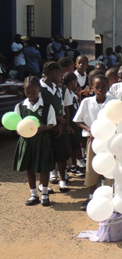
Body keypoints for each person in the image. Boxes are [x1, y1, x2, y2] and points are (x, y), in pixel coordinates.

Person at [13, 76, 56, 206]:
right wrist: (18, 130)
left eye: (34, 92)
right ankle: (33, 194)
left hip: (42, 140)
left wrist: (44, 128)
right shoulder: (20, 107)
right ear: (24, 91)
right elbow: (16, 125)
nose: (30, 95)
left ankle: (44, 193)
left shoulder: (47, 106)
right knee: (29, 167)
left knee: (44, 167)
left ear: (39, 90)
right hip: (27, 142)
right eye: (27, 92)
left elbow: (52, 124)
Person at [74, 74, 114, 210]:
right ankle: (91, 197)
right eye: (97, 87)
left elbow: (120, 120)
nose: (100, 90)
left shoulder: (113, 103)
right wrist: (90, 129)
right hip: (93, 141)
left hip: (109, 141)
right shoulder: (86, 102)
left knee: (108, 169)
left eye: (104, 87)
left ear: (108, 87)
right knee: (91, 168)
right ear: (92, 88)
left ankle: (108, 197)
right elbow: (78, 120)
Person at [40, 61, 72, 193]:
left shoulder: (57, 89)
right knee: (47, 157)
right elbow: (40, 109)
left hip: (58, 128)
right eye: (60, 74)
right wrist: (57, 119)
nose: (62, 77)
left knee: (62, 154)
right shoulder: (38, 88)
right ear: (52, 73)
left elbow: (60, 109)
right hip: (45, 128)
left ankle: (62, 179)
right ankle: (43, 184)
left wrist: (60, 123)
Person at [63, 72, 85, 177]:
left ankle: (77, 164)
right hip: (71, 122)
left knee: (76, 144)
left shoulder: (72, 93)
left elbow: (78, 107)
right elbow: (68, 110)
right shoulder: (66, 92)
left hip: (75, 122)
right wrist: (68, 124)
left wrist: (79, 96)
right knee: (73, 146)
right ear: (72, 82)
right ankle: (73, 166)